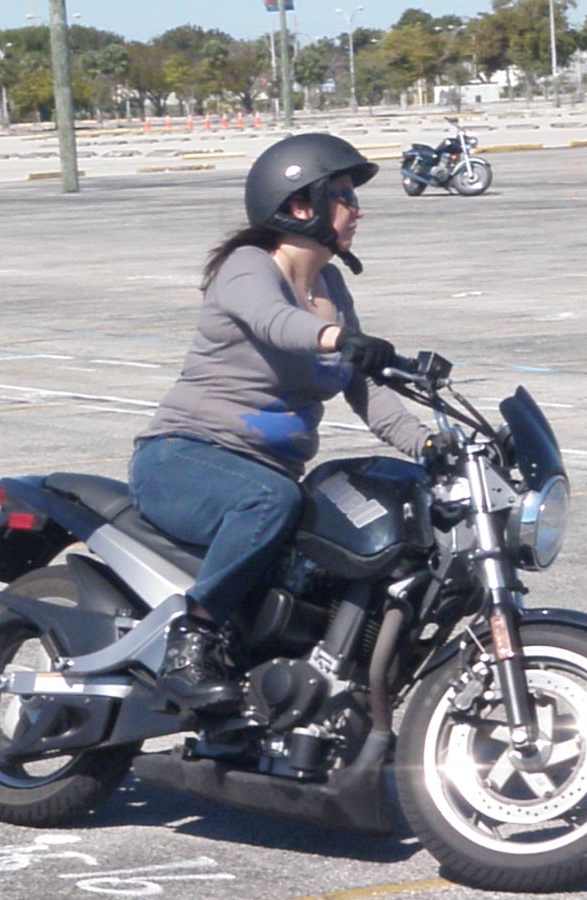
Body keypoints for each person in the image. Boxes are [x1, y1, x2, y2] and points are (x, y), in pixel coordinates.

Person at [128, 133, 432, 713]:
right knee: (274, 500)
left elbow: (364, 387)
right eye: (344, 197)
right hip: (183, 457)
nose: (357, 211)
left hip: (264, 473)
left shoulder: (330, 286)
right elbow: (275, 324)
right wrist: (337, 337)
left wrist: (430, 444)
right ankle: (191, 639)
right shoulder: (248, 268)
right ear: (299, 205)